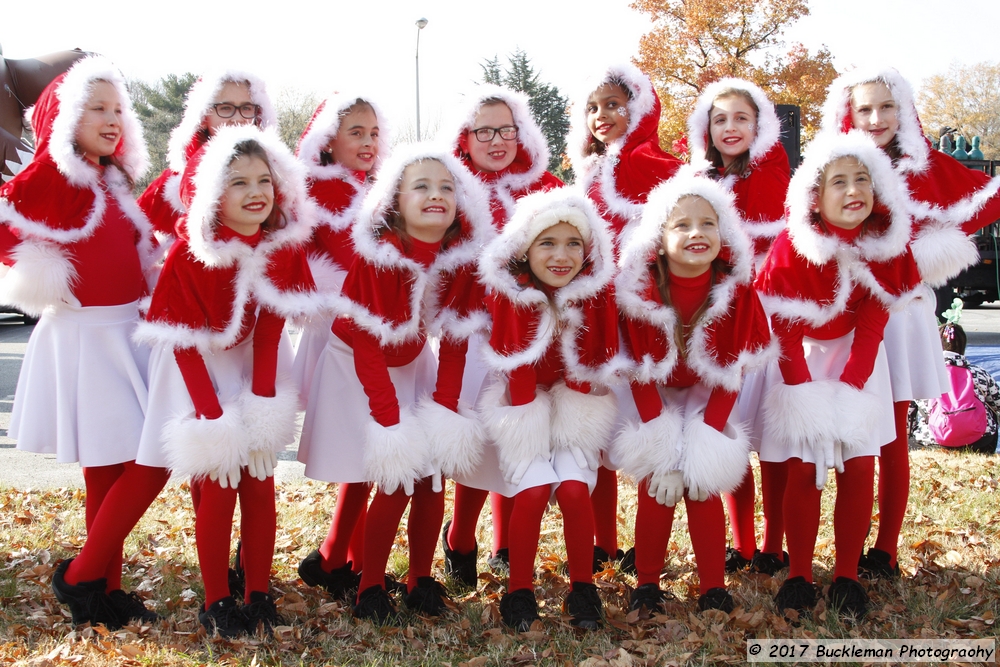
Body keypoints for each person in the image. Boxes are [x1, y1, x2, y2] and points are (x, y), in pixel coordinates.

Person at [134, 125, 321, 637]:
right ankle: (216, 599)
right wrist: (211, 420)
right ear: (213, 191)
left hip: (250, 366)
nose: (256, 192)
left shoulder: (282, 248)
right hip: (199, 369)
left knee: (259, 484)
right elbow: (184, 344)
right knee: (217, 483)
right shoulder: (193, 251)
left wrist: (263, 411)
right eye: (239, 182)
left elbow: (268, 333)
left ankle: (258, 592)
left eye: (265, 180)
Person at [0, 56, 163, 630]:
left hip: (126, 331)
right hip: (86, 336)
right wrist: (38, 271)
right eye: (96, 108)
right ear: (66, 116)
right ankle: (82, 578)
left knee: (115, 467)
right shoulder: (53, 175)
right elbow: (5, 217)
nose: (111, 119)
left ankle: (101, 588)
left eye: (118, 108)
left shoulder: (112, 180)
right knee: (142, 458)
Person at [297, 146, 492, 624]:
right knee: (392, 472)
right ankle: (368, 586)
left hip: (412, 358)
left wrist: (446, 407)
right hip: (356, 364)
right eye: (421, 186)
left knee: (430, 477)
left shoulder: (461, 257)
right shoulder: (379, 255)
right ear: (393, 202)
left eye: (447, 187)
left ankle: (420, 580)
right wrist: (389, 419)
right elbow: (365, 344)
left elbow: (458, 335)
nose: (436, 195)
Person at [819, 67, 1000, 579]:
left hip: (900, 313)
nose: (875, 118)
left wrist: (930, 252)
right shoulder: (835, 163)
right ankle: (832, 549)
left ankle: (886, 550)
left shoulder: (926, 165)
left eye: (886, 106)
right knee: (847, 433)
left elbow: (990, 197)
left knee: (893, 432)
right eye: (864, 108)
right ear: (846, 113)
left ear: (904, 109)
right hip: (845, 314)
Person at [754, 131, 922, 618]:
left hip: (858, 359)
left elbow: (872, 321)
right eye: (840, 182)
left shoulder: (884, 242)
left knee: (857, 466)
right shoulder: (794, 243)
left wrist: (853, 385)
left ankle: (847, 573)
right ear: (815, 195)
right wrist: (802, 390)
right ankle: (800, 573)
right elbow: (783, 326)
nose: (854, 191)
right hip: (801, 360)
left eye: (863, 180)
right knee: (804, 467)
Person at [613, 169, 774, 614]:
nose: (696, 233)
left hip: (709, 391)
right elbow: (640, 374)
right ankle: (646, 583)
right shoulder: (639, 290)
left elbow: (730, 374)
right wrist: (662, 449)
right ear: (658, 237)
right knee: (658, 482)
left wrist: (705, 443)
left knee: (702, 483)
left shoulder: (736, 292)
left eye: (708, 223)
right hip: (653, 392)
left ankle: (712, 587)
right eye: (681, 224)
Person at [465, 188, 622, 631]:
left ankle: (583, 588)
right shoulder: (512, 293)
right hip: (523, 403)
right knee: (532, 491)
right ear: (525, 249)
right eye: (547, 243)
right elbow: (517, 369)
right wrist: (529, 434)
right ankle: (519, 590)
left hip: (577, 403)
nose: (562, 255)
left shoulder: (595, 291)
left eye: (573, 243)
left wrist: (570, 419)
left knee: (574, 490)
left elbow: (591, 363)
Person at [436, 85, 563, 586]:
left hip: (528, 332)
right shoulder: (448, 187)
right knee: (475, 436)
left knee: (519, 428)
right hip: (469, 328)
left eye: (506, 129)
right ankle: (460, 539)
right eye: (483, 130)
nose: (496, 140)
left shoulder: (546, 186)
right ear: (464, 138)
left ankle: (505, 542)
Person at [569, 64, 685, 569]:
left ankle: (646, 551)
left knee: (643, 425)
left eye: (614, 104)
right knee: (598, 430)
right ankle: (602, 542)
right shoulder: (592, 169)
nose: (602, 116)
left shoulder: (656, 164)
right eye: (592, 107)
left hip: (641, 316)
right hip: (596, 314)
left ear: (639, 107)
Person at [687, 78, 792, 576]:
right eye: (720, 118)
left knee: (768, 433)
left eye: (741, 118)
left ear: (760, 125)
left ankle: (773, 545)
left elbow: (767, 233)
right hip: (716, 310)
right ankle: (742, 543)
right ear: (706, 128)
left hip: (766, 308)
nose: (730, 128)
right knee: (732, 427)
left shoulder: (771, 170)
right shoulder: (699, 179)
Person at [292, 93, 389, 599]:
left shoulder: (377, 187)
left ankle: (336, 555)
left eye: (373, 132)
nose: (368, 142)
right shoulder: (313, 188)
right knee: (358, 446)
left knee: (369, 448)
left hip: (376, 330)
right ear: (328, 139)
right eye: (356, 132)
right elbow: (295, 251)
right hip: (340, 331)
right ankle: (338, 557)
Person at [137, 70, 276, 246]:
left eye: (246, 108)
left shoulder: (276, 175)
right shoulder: (171, 184)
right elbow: (130, 231)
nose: (237, 118)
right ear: (203, 117)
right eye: (225, 108)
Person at [910, 322, 1000, 455]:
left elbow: (908, 415)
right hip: (981, 441)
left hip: (932, 440)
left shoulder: (921, 376)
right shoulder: (979, 373)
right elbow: (997, 404)